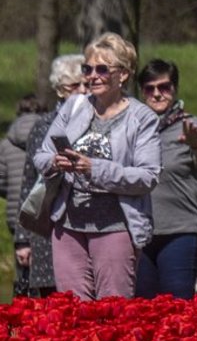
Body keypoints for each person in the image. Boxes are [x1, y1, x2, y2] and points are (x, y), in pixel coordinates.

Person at [34, 32, 161, 300]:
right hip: (67, 226)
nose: (92, 75)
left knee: (113, 312)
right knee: (72, 312)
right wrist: (55, 162)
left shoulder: (142, 118)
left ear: (123, 74)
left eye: (102, 69)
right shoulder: (74, 105)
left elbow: (147, 176)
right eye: (87, 69)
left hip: (115, 226)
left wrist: (94, 168)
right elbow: (41, 155)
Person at [135, 58, 197, 300]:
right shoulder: (134, 128)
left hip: (180, 230)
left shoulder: (190, 125)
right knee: (142, 311)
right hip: (140, 231)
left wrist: (195, 146)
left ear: (175, 89)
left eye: (164, 87)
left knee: (177, 309)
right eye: (149, 88)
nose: (157, 94)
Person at [14, 59, 85, 298]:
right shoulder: (43, 127)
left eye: (85, 84)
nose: (82, 91)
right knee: (50, 305)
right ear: (59, 90)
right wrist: (22, 239)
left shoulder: (97, 121)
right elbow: (29, 183)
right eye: (74, 86)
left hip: (85, 221)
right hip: (48, 228)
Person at [0, 94, 44, 295]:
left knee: (22, 271)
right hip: (43, 212)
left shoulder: (6, 144)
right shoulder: (47, 135)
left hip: (15, 216)